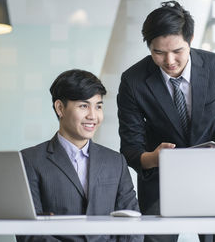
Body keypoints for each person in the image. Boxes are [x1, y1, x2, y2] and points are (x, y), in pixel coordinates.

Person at [117, 0, 215, 242]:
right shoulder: (133, 81)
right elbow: (131, 148)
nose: (169, 61)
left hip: (213, 178)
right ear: (148, 47)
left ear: (191, 40)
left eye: (177, 51)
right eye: (158, 52)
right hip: (160, 183)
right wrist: (153, 158)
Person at [17, 69, 143, 242]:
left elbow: (133, 224)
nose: (93, 116)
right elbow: (29, 232)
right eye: (84, 106)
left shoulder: (116, 162)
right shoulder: (29, 160)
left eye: (98, 106)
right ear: (60, 108)